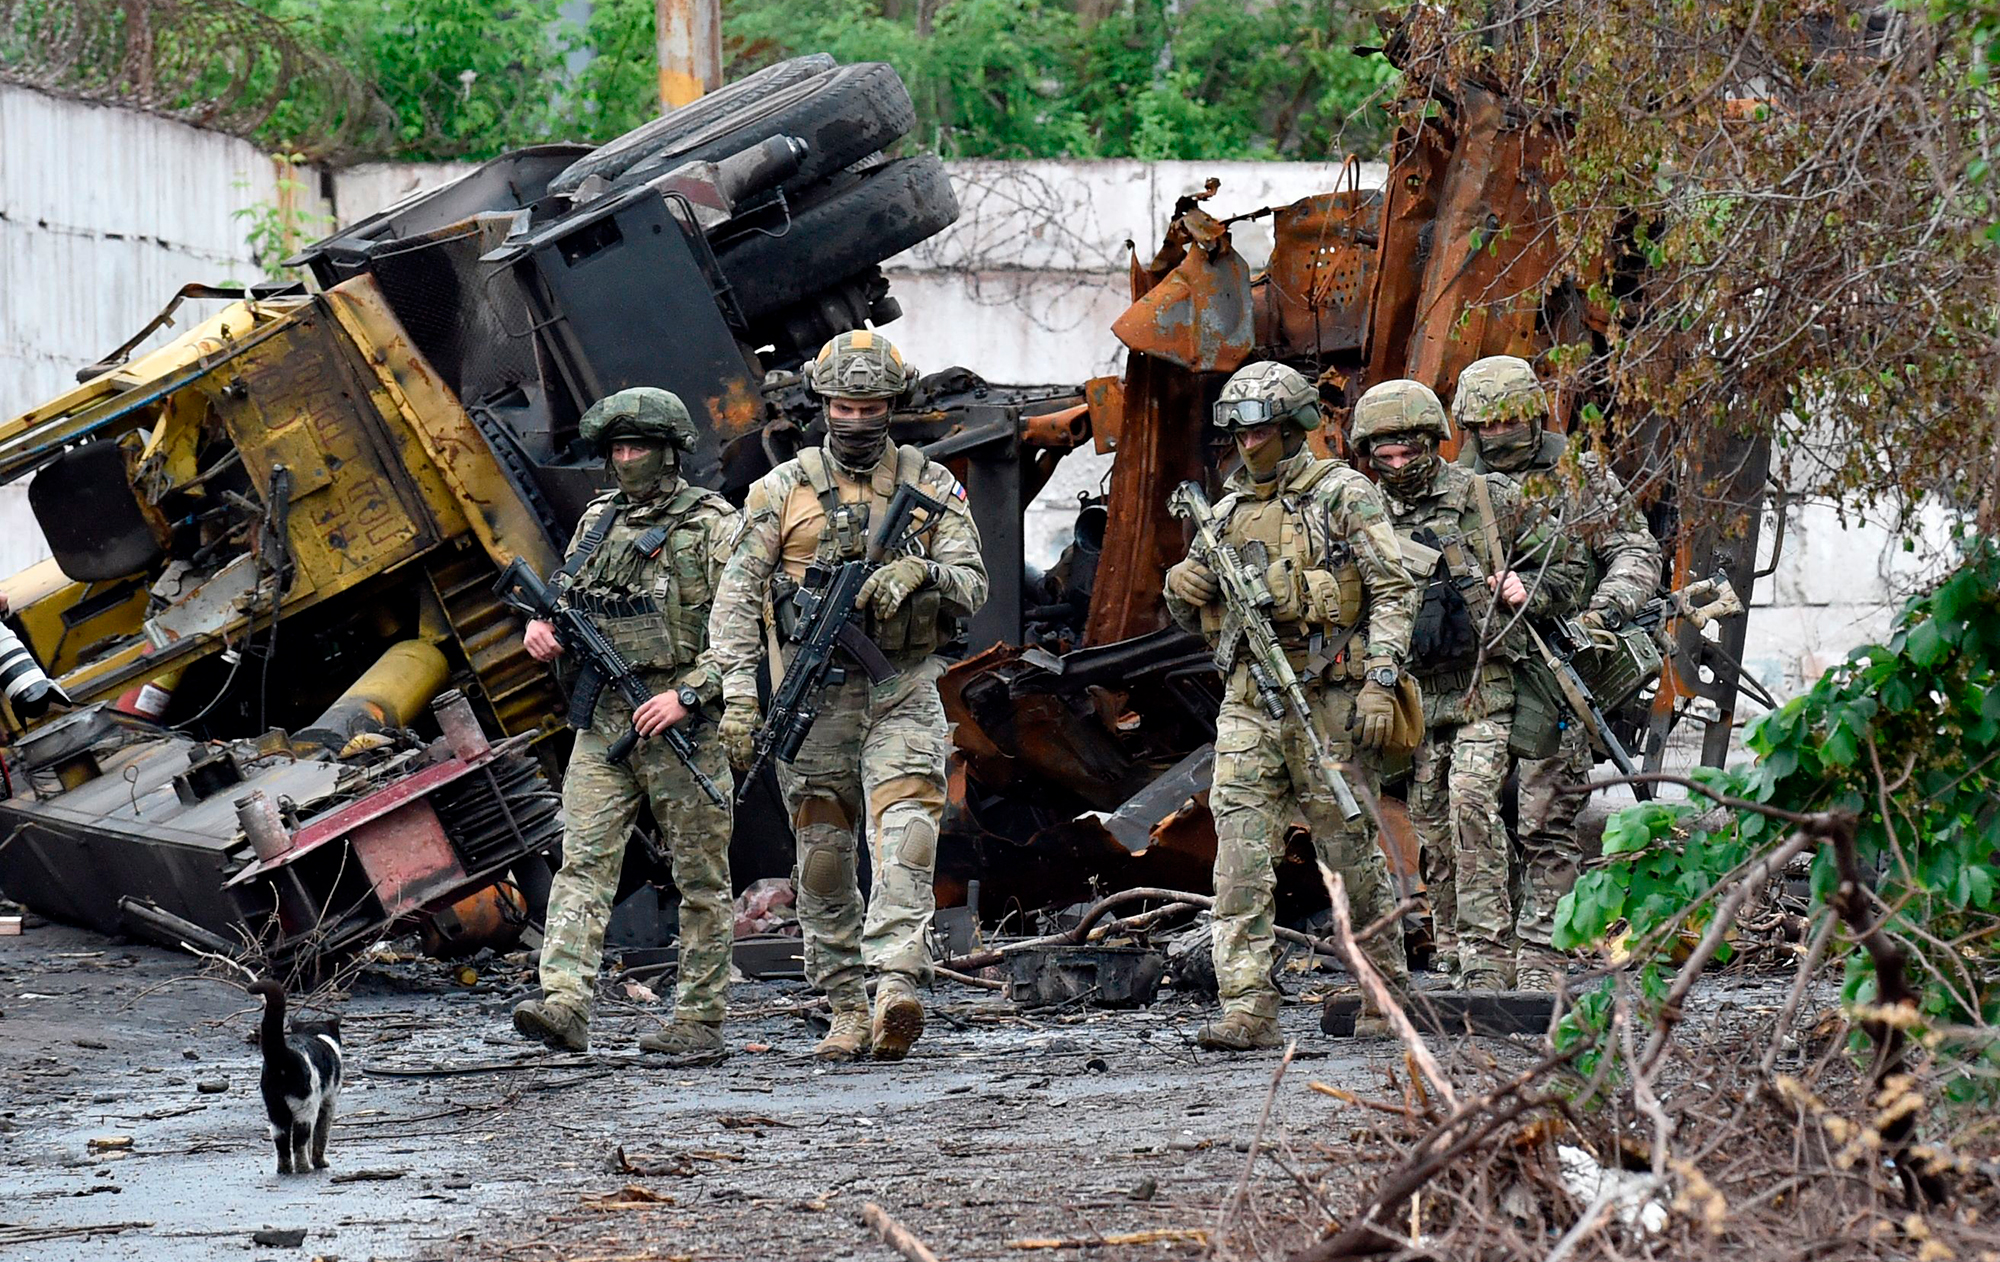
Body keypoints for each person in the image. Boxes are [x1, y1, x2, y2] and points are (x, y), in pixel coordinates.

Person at [707, 330, 987, 1063]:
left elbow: (974, 584)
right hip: (814, 702)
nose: (856, 420)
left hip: (901, 689)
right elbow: (734, 602)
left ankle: (897, 980)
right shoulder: (780, 492)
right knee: (823, 860)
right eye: (842, 405)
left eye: (871, 407)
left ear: (894, 406)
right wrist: (739, 696)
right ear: (820, 404)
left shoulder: (932, 486)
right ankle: (843, 1003)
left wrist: (921, 574)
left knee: (907, 835)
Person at [1161, 361, 1421, 1049]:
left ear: (1295, 427)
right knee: (1240, 855)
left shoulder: (1342, 495)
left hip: (1327, 695)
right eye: (1239, 433)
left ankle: (1383, 987)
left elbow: (1393, 590)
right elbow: (1199, 619)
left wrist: (1382, 678)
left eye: (1262, 431)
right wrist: (1183, 588)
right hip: (1248, 702)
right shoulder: (1221, 513)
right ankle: (1247, 1007)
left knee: (1348, 852)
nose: (1249, 445)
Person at [512, 387, 741, 1056]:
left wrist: (691, 695)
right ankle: (565, 1004)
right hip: (605, 719)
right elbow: (566, 599)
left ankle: (699, 1021)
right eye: (617, 449)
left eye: (638, 446)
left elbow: (749, 633)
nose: (626, 458)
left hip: (681, 726)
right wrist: (542, 629)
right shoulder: (598, 522)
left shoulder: (714, 526)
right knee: (582, 862)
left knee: (701, 877)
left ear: (670, 453)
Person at [1349, 378, 1584, 989]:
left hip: (1488, 685)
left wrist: (1530, 589)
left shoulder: (1487, 496)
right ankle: (1453, 945)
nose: (1398, 467)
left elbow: (1568, 565)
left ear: (1433, 441)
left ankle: (1489, 955)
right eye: (1385, 457)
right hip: (1420, 699)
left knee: (1472, 805)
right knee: (1431, 824)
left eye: (1409, 452)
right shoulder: (1361, 512)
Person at [1453, 355, 1662, 988]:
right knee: (1467, 810)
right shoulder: (1452, 486)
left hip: (1561, 663)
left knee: (1548, 817)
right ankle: (1478, 958)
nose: (1500, 434)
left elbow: (1634, 549)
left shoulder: (1577, 475)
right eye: (1487, 424)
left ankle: (1546, 956)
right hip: (1480, 670)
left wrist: (1604, 611)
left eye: (1512, 420)